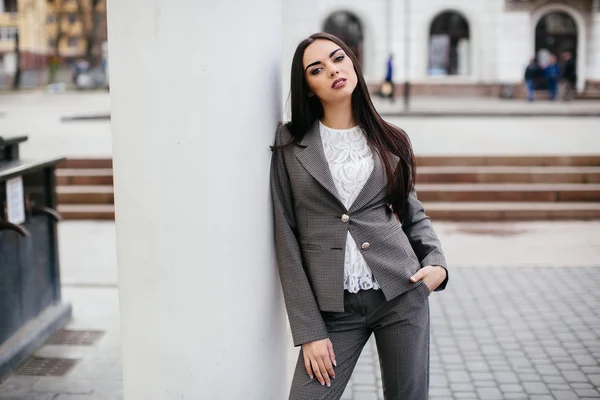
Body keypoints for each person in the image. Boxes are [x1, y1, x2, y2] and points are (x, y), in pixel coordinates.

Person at [270, 32, 448, 400]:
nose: (333, 70)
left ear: (352, 63)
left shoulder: (391, 139)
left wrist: (437, 264)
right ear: (307, 87)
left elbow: (413, 214)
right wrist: (309, 331)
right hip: (332, 309)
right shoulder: (289, 145)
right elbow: (285, 236)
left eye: (338, 58)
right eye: (317, 69)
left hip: (401, 293)